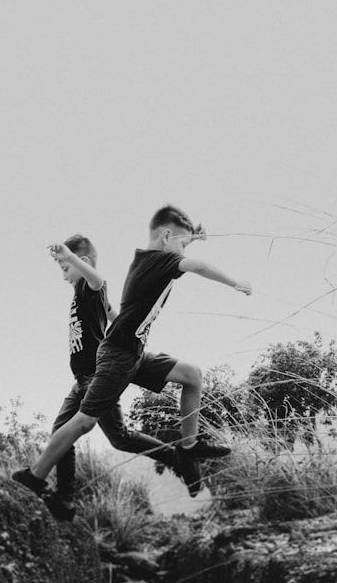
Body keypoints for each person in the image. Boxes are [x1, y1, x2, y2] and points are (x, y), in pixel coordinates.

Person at [15, 205, 252, 508]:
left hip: (127, 353)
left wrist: (192, 237)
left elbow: (107, 284)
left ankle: (189, 446)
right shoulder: (157, 261)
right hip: (118, 355)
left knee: (191, 375)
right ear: (167, 237)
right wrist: (234, 281)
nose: (183, 252)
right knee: (86, 425)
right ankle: (43, 482)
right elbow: (191, 263)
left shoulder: (149, 261)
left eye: (65, 269)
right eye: (181, 244)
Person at [41, 234, 195, 521]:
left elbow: (99, 281)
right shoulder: (82, 297)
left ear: (82, 262)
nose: (63, 277)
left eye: (64, 270)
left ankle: (176, 457)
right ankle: (64, 499)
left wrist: (70, 257)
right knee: (75, 435)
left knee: (111, 438)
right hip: (83, 379)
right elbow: (115, 315)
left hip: (98, 377)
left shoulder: (90, 287)